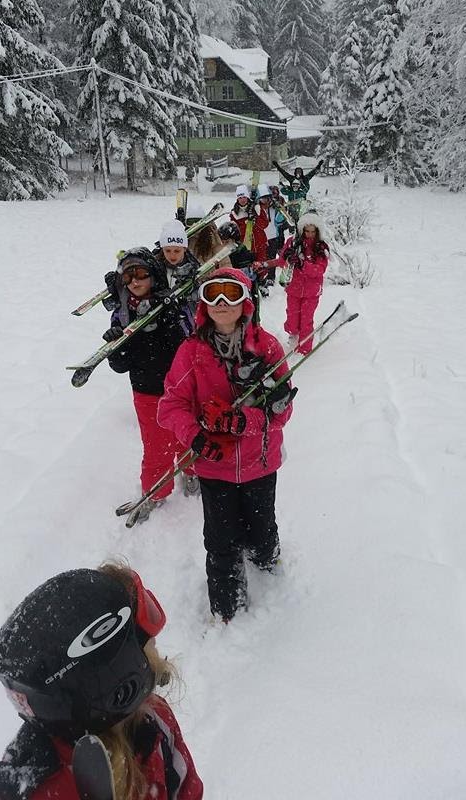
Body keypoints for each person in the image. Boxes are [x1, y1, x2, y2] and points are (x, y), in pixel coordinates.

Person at [0, 563, 203, 800]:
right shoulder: (34, 788)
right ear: (122, 688)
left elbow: (187, 790)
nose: (157, 646)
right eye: (147, 644)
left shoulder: (156, 721)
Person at [158, 268, 295, 623]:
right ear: (202, 304)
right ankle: (227, 610)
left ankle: (267, 565)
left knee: (261, 528)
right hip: (214, 467)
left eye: (230, 293)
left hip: (259, 464)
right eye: (212, 293)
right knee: (221, 539)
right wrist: (194, 435)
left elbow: (282, 412)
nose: (221, 302)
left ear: (245, 301)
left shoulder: (267, 347)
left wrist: (245, 421)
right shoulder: (191, 352)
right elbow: (170, 406)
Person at [104, 248, 191, 520]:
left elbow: (187, 346)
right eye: (128, 276)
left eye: (141, 273)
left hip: (180, 388)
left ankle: (192, 472)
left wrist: (168, 318)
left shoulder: (171, 303)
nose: (135, 281)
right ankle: (156, 492)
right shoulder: (122, 314)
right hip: (146, 391)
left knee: (185, 436)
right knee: (155, 447)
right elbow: (120, 366)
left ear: (153, 275)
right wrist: (117, 345)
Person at [256, 211, 329, 355]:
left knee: (306, 321)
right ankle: (293, 339)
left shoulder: (321, 247)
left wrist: (302, 264)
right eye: (306, 231)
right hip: (294, 289)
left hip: (311, 291)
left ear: (317, 231)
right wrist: (265, 264)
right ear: (301, 229)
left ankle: (304, 350)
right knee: (292, 319)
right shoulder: (292, 242)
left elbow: (320, 270)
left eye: (312, 232)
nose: (309, 234)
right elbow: (282, 261)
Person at [186, 200, 230, 267]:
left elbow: (223, 258)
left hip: (207, 272)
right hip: (188, 272)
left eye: (197, 221)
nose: (194, 225)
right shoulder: (184, 237)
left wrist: (227, 271)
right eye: (190, 222)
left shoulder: (211, 236)